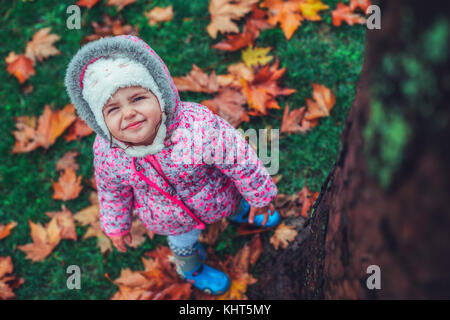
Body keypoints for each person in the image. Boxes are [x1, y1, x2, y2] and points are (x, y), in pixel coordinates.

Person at [64, 35, 281, 295]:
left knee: (232, 202)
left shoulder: (195, 127)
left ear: (159, 93)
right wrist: (116, 224)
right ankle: (192, 269)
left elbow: (239, 158)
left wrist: (257, 193)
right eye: (112, 109)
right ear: (99, 122)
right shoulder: (108, 152)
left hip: (218, 193)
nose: (128, 113)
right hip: (170, 219)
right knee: (183, 246)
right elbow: (112, 190)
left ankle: (242, 210)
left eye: (137, 98)